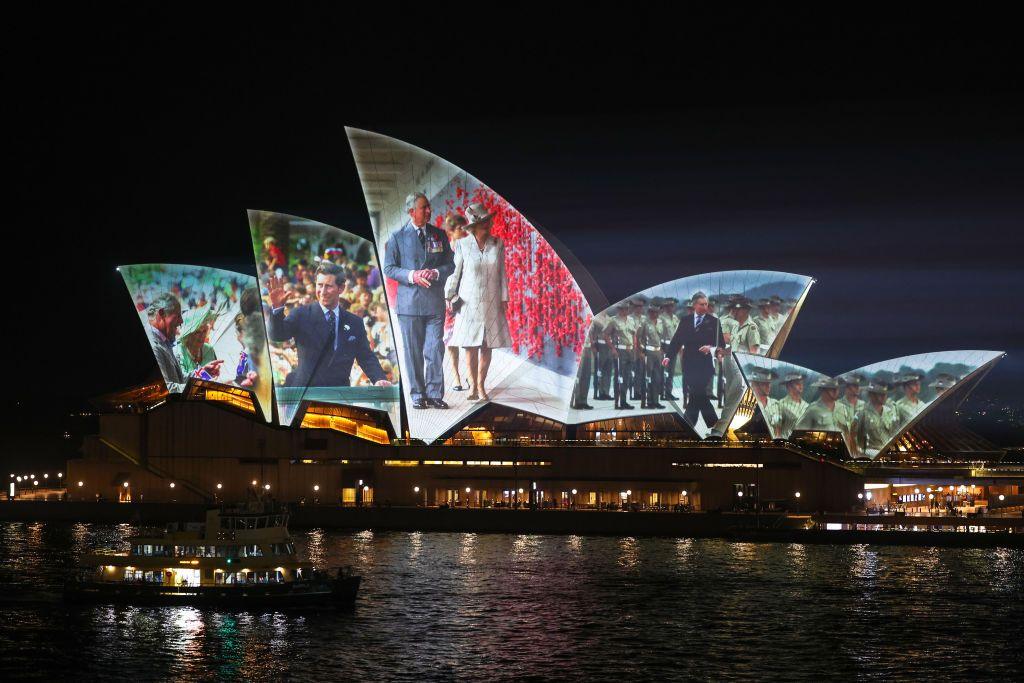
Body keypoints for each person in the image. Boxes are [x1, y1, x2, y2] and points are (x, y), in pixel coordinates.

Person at [266, 261, 391, 388]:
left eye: (328, 286)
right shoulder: (301, 314)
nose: (323, 291)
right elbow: (277, 335)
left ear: (341, 288)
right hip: (306, 393)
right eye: (319, 285)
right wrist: (277, 309)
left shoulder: (354, 322)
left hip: (340, 396)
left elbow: (366, 356)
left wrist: (379, 378)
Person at [383, 192, 455, 409]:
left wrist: (435, 272)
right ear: (411, 212)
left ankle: (434, 393)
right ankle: (417, 394)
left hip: (434, 303)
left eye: (429, 207)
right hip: (409, 305)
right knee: (413, 351)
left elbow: (450, 265)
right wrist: (412, 275)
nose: (429, 211)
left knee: (434, 349)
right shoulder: (397, 237)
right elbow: (389, 268)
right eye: (423, 208)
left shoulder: (439, 234)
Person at [444, 203, 512, 402]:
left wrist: (504, 298)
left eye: (487, 221)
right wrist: (449, 295)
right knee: (470, 345)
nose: (487, 225)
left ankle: (481, 386)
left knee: (487, 345)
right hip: (468, 303)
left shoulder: (498, 244)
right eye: (482, 222)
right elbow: (455, 273)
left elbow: (502, 274)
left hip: (491, 301)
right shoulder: (463, 245)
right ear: (473, 226)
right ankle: (472, 386)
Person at [664, 291, 722, 431]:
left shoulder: (714, 322)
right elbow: (676, 340)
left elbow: (721, 344)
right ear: (695, 305)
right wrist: (668, 356)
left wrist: (711, 348)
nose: (705, 307)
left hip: (705, 364)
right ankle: (709, 424)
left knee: (698, 391)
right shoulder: (685, 320)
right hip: (689, 364)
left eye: (706, 304)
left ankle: (690, 424)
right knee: (698, 393)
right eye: (702, 304)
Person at [442, 212, 470, 391]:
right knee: (450, 340)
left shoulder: (469, 248)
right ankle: (457, 378)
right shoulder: (445, 251)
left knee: (468, 337)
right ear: (452, 230)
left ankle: (469, 375)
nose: (465, 231)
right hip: (448, 299)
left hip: (467, 297)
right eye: (461, 228)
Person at [174, 305, 222, 379]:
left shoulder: (209, 349)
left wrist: (214, 372)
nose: (202, 335)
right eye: (197, 332)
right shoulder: (177, 352)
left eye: (204, 331)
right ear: (188, 335)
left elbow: (214, 376)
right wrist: (201, 374)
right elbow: (180, 380)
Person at [855, 381, 900, 457]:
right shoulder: (861, 413)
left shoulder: (890, 412)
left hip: (888, 455)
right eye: (880, 394)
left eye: (885, 393)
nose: (884, 396)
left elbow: (895, 435)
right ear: (871, 395)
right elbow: (852, 438)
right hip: (869, 455)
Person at [604, 303, 636, 409]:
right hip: (620, 351)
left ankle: (624, 401)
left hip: (630, 351)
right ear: (619, 309)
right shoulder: (614, 320)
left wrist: (635, 348)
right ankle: (617, 403)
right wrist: (613, 349)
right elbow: (606, 335)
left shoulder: (631, 320)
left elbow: (634, 334)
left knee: (627, 378)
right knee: (619, 378)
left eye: (626, 309)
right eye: (623, 309)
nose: (625, 310)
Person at [636, 304, 665, 409]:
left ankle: (655, 401)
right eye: (653, 312)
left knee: (657, 378)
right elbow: (638, 338)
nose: (655, 314)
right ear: (649, 312)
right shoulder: (644, 323)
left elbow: (661, 337)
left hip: (658, 353)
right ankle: (647, 402)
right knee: (647, 377)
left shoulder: (660, 322)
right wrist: (641, 352)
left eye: (657, 312)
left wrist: (662, 349)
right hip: (648, 352)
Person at [747, 367, 782, 436]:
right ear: (755, 384)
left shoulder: (776, 404)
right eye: (764, 383)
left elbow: (778, 428)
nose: (768, 386)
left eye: (769, 383)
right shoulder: (748, 403)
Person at [657, 298, 680, 400]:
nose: (671, 307)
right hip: (664, 345)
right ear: (665, 307)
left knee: (671, 371)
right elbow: (658, 333)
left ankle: (668, 392)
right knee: (664, 370)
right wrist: (660, 348)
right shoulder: (661, 318)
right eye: (669, 306)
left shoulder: (675, 318)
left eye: (673, 305)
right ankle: (662, 392)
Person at [776, 372, 809, 438]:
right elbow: (777, 429)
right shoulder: (780, 405)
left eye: (802, 383)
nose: (801, 386)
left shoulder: (807, 406)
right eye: (797, 383)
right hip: (787, 443)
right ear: (789, 386)